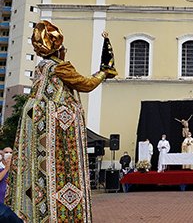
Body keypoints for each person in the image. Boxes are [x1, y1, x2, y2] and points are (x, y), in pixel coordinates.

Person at [5, 21, 116, 222]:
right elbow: (85, 84)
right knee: (59, 165)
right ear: (57, 47)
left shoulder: (41, 67)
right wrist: (103, 72)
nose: (64, 51)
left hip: (34, 118)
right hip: (52, 120)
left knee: (37, 166)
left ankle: (35, 213)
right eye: (62, 47)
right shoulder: (59, 67)